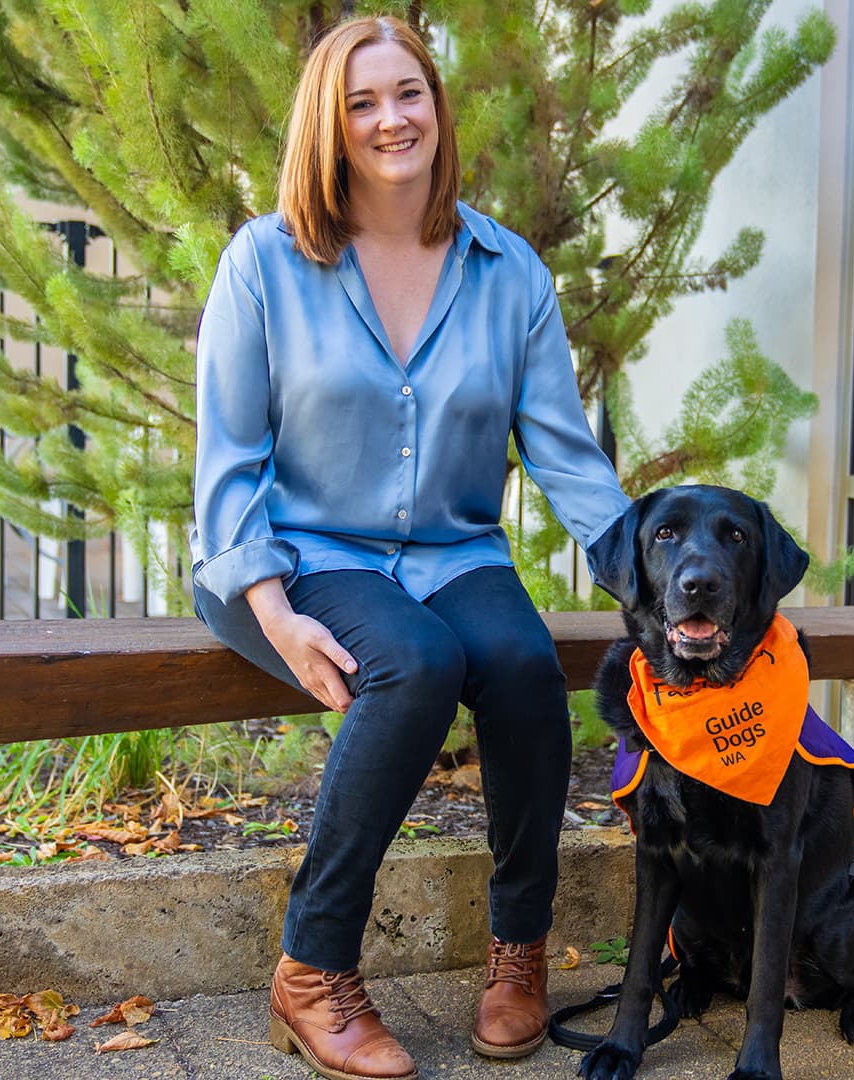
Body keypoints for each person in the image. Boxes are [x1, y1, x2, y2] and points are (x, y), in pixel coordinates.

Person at [188, 15, 629, 1080]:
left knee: (525, 667)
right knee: (419, 663)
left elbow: (565, 450)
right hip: (297, 553)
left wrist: (641, 573)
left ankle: (518, 954)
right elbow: (230, 458)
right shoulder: (266, 261)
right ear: (328, 126)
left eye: (409, 93)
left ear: (437, 106)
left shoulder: (506, 268)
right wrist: (276, 609)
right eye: (362, 101)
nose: (393, 118)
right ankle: (311, 969)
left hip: (453, 551)